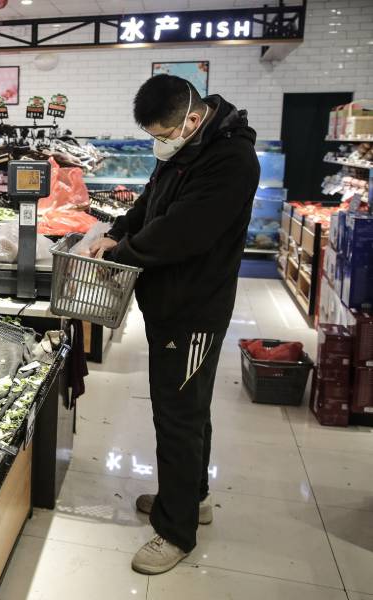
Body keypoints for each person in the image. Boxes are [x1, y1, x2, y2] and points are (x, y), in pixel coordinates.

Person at [87, 74, 260, 575]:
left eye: (165, 134)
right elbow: (151, 202)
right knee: (188, 406)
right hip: (170, 303)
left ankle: (175, 531)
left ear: (191, 117)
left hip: (194, 309)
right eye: (155, 137)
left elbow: (185, 231)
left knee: (178, 415)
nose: (161, 144)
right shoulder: (188, 150)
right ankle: (190, 498)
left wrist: (124, 251)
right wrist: (118, 229)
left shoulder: (231, 160)